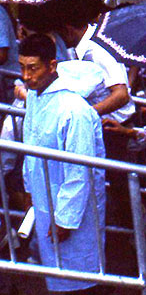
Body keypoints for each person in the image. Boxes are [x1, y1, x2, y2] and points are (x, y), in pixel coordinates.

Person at [19, 34, 106, 294]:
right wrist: (28, 189)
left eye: (32, 68)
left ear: (52, 65)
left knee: (79, 274)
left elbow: (80, 170)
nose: (26, 76)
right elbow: (29, 143)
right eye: (22, 67)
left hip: (72, 206)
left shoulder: (73, 109)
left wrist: (66, 218)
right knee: (55, 271)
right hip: (44, 195)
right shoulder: (36, 96)